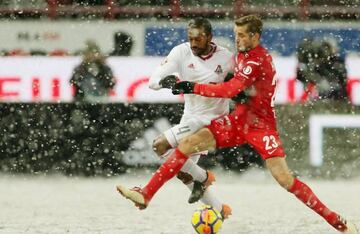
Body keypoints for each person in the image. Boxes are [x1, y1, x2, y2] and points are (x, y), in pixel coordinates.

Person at [116, 15, 358, 233]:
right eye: (236, 34)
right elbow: (239, 88)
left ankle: (337, 221)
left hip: (261, 125)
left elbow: (230, 89)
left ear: (255, 36)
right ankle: (146, 193)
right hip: (239, 119)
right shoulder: (240, 56)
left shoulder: (257, 59)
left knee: (285, 180)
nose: (238, 39)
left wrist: (193, 87)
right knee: (188, 144)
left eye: (242, 35)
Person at [118, 17, 234, 219]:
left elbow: (238, 88)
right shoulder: (181, 52)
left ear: (209, 37)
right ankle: (219, 210)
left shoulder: (227, 58)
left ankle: (151, 191)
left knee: (159, 146)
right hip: (190, 118)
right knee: (183, 172)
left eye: (198, 39)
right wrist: (167, 82)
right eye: (191, 38)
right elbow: (153, 81)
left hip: (213, 121)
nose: (194, 43)